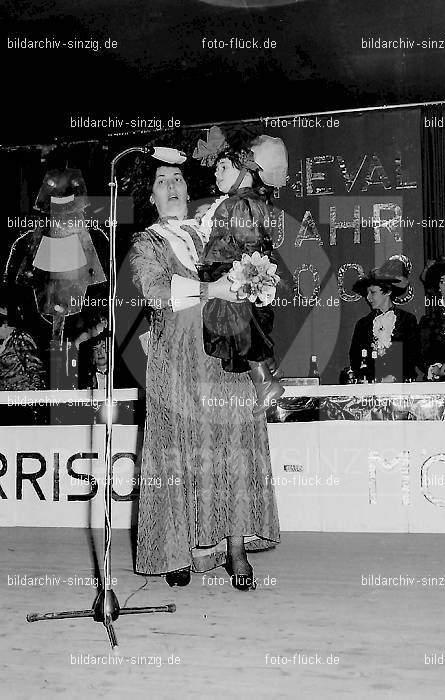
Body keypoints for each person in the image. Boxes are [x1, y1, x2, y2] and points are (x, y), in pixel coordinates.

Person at [129, 147, 279, 591]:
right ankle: (175, 551)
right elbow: (156, 290)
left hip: (223, 354)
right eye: (162, 181)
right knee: (174, 455)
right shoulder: (145, 243)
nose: (172, 187)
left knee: (233, 445)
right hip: (175, 359)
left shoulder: (214, 224)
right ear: (151, 197)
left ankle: (234, 548)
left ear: (188, 189)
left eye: (177, 179)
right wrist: (212, 286)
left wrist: (258, 282)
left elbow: (252, 250)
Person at [193, 127, 287, 415]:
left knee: (242, 332)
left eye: (222, 166)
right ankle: (266, 376)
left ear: (244, 166)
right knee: (243, 333)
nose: (216, 173)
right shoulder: (237, 202)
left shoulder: (241, 203)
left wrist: (229, 275)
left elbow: (247, 245)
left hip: (233, 277)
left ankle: (265, 382)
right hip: (232, 276)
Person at [349, 259, 419, 382]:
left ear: (388, 292)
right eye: (367, 293)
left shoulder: (407, 320)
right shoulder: (363, 324)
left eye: (373, 292)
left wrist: (395, 376)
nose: (368, 297)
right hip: (370, 388)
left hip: (402, 387)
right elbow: (355, 358)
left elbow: (412, 355)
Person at [0, 291, 46, 391]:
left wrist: (33, 396)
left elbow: (35, 369)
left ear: (5, 324)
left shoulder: (21, 338)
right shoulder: (4, 343)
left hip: (21, 397)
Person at [419, 257, 445, 380]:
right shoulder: (429, 321)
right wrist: (437, 369)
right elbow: (422, 356)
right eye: (442, 281)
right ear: (438, 287)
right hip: (440, 385)